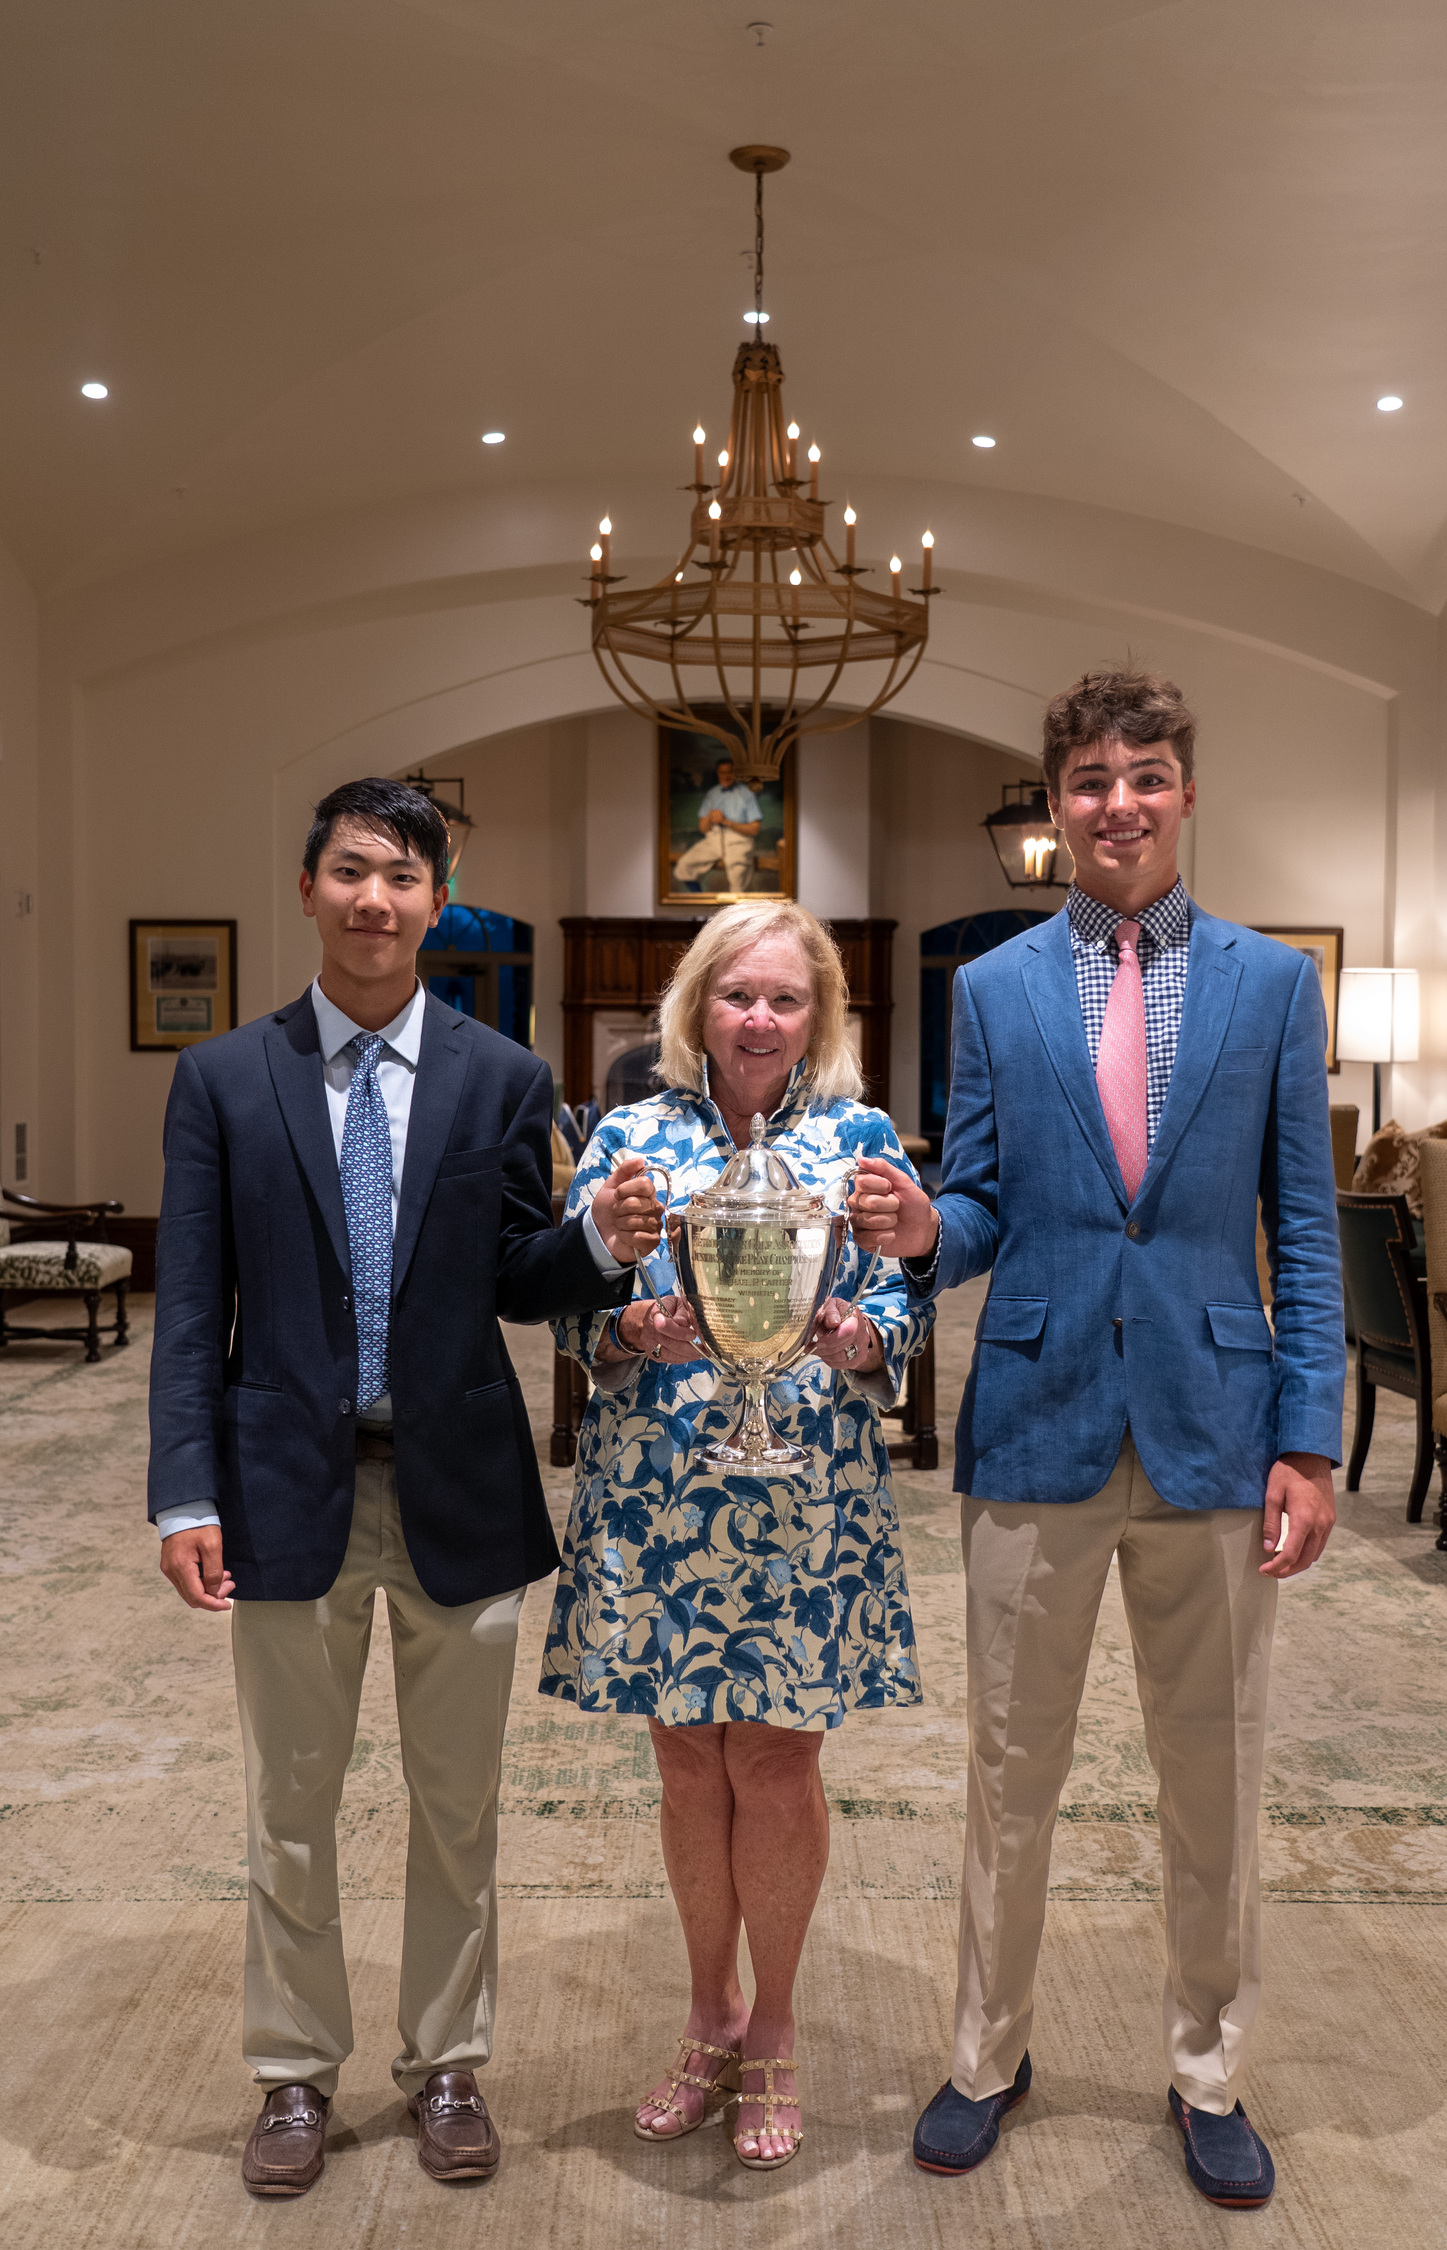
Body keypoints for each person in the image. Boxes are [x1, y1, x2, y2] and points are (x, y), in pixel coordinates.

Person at [852, 668, 1344, 2210]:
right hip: (1038, 1416)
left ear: (1187, 790)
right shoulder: (992, 987)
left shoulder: (1272, 985)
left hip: (1216, 1419)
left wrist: (1311, 1439)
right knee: (1012, 1764)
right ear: (1053, 805)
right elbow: (986, 1194)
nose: (1116, 802)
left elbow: (1307, 1228)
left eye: (1144, 775)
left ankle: (1211, 2067)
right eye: (1088, 780)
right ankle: (988, 2053)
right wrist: (935, 1225)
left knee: (1216, 1768)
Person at [148, 776, 661, 2200]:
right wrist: (184, 1493)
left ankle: (448, 2062)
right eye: (353, 870)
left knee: (458, 1802)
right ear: (308, 886)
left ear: (438, 900)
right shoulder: (224, 1081)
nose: (378, 897)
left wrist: (600, 1246)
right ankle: (293, 2074)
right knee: (289, 1805)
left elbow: (513, 1276)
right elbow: (192, 1304)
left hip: (459, 1492)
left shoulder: (500, 1078)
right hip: (281, 1493)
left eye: (406, 874)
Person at [540, 900, 932, 2171]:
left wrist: (867, 1340)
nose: (758, 1019)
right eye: (736, 994)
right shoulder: (629, 1136)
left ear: (820, 1014)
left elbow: (901, 1304)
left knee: (771, 1765)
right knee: (685, 1764)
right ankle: (705, 2013)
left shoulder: (861, 1141)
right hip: (659, 1490)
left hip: (805, 1495)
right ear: (695, 1005)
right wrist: (617, 1331)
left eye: (784, 998)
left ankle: (773, 2026)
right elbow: (568, 1310)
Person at [671, 755, 762, 892]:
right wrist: (710, 818)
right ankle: (699, 903)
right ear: (718, 774)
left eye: (729, 772)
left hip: (739, 840)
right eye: (722, 772)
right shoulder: (712, 794)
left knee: (739, 881)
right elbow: (703, 828)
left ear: (735, 773)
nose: (726, 776)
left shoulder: (746, 793)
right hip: (714, 838)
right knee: (684, 866)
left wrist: (727, 822)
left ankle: (736, 912)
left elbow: (754, 829)